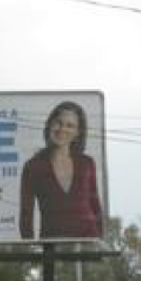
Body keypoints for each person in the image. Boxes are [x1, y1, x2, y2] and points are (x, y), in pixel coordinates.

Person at [18, 101, 103, 239]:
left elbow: (95, 205)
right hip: (52, 244)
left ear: (77, 132)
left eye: (70, 126)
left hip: (88, 241)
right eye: (58, 122)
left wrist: (99, 242)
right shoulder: (33, 166)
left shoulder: (87, 163)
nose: (62, 129)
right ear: (50, 124)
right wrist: (30, 248)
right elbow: (26, 213)